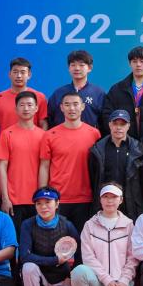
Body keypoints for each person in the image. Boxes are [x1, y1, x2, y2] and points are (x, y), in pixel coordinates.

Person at [70, 183, 136, 286]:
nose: (109, 201)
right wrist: (107, 280)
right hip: (99, 283)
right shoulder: (89, 225)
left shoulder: (129, 225)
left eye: (114, 197)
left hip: (120, 283)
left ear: (121, 200)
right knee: (79, 271)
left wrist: (124, 280)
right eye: (105, 197)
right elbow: (88, 258)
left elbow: (133, 258)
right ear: (100, 200)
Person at [39, 92, 102, 232]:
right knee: (57, 241)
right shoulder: (50, 135)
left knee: (83, 240)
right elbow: (44, 166)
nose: (71, 108)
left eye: (75, 104)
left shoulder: (94, 134)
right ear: (61, 108)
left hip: (85, 199)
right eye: (67, 104)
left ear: (83, 107)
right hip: (58, 198)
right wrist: (43, 195)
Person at [19, 186, 79, 286]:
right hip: (38, 275)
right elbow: (24, 256)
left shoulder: (67, 225)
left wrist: (71, 276)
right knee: (28, 268)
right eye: (39, 203)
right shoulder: (27, 225)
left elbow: (80, 252)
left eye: (48, 202)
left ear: (57, 204)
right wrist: (55, 260)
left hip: (59, 277)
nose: (43, 207)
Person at [0, 90, 47, 234]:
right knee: (12, 241)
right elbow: (2, 167)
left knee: (36, 242)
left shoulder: (44, 136)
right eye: (22, 105)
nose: (26, 108)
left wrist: (42, 198)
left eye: (30, 105)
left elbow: (45, 167)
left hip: (36, 199)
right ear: (16, 109)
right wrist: (5, 198)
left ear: (36, 108)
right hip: (13, 201)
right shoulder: (6, 134)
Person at [88, 109, 143, 220]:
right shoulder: (98, 149)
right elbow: (93, 177)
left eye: (122, 124)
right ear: (109, 125)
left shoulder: (138, 148)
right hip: (106, 201)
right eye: (115, 124)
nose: (118, 127)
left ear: (128, 126)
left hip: (130, 203)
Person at [102, 45, 143, 142]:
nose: (138, 65)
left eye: (142, 61)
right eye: (134, 61)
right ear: (130, 64)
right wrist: (126, 140)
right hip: (124, 143)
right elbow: (107, 115)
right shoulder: (117, 89)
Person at [0, 57, 48, 136]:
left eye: (23, 72)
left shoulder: (39, 97)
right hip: (6, 142)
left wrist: (42, 141)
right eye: (15, 72)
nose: (19, 76)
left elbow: (43, 123)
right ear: (9, 74)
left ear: (29, 75)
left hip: (33, 142)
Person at [48, 50, 106, 129]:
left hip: (90, 136)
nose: (77, 68)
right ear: (69, 68)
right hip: (62, 135)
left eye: (81, 65)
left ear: (90, 68)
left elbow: (104, 121)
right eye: (73, 65)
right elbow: (50, 119)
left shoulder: (98, 93)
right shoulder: (58, 93)